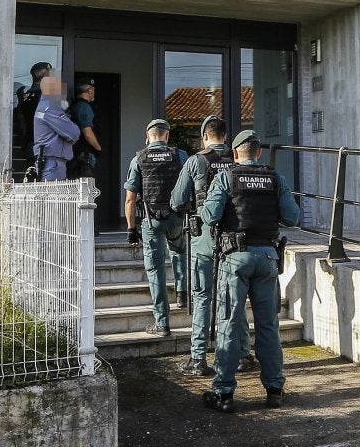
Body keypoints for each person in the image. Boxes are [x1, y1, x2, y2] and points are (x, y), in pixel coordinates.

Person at [200, 129, 299, 413]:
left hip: (235, 258)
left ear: (235, 154)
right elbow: (292, 217)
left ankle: (224, 392)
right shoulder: (275, 179)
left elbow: (210, 216)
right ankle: (274, 389)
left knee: (230, 324)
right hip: (268, 257)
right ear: (259, 153)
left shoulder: (226, 178)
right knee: (268, 325)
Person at [169, 116, 237, 377]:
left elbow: (177, 201)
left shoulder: (196, 161)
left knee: (201, 296)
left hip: (204, 237)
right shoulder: (237, 158)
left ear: (204, 137)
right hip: (232, 237)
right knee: (231, 297)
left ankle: (198, 359)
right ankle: (239, 355)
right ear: (226, 137)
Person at [124, 118, 187, 338]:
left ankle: (162, 323)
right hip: (177, 218)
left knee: (155, 270)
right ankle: (182, 293)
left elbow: (130, 200)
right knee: (179, 252)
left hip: (151, 221)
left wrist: (132, 230)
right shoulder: (180, 156)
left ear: (147, 135)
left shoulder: (138, 159)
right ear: (167, 136)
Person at [31, 75, 80, 183]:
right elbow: (73, 133)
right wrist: (74, 126)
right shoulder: (50, 108)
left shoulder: (46, 106)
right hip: (52, 164)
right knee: (53, 198)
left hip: (51, 162)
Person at [12, 61, 53, 177]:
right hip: (43, 145)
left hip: (28, 144)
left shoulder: (24, 96)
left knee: (31, 178)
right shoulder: (45, 96)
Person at [69, 79, 101, 177]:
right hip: (84, 154)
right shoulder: (83, 107)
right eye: (93, 90)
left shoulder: (74, 105)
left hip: (75, 153)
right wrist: (98, 148)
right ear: (90, 90)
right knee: (85, 187)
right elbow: (87, 132)